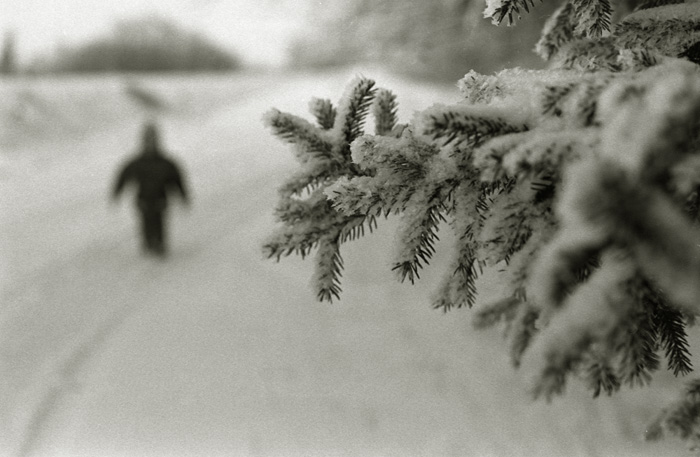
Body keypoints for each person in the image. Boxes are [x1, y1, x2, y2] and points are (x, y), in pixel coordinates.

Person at [113, 122, 189, 256]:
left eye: (153, 140)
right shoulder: (137, 163)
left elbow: (176, 180)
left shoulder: (165, 163)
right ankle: (148, 242)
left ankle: (159, 243)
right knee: (146, 221)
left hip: (160, 199)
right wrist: (117, 192)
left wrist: (183, 195)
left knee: (159, 221)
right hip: (143, 199)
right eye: (148, 141)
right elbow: (124, 176)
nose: (150, 144)